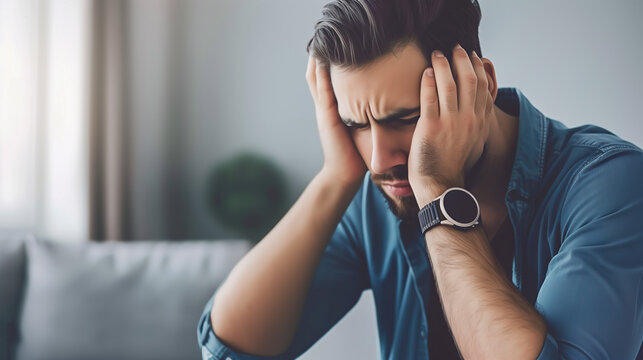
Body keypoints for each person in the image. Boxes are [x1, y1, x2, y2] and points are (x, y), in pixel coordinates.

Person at [198, 0, 643, 358]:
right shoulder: (380, 194)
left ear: (480, 85)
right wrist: (335, 177)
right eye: (357, 124)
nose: (379, 158)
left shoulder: (610, 185)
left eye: (407, 119)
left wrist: (438, 189)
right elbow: (228, 348)